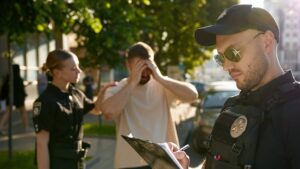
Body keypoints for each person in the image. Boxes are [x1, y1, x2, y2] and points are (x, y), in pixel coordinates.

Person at [171, 4, 300, 169]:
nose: (226, 66)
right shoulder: (232, 106)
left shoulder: (295, 111)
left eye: (233, 53)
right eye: (221, 58)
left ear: (267, 42)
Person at [100, 42, 198, 169]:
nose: (145, 73)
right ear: (128, 65)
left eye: (148, 67)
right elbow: (108, 112)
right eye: (139, 67)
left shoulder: (162, 85)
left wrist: (160, 77)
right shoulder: (118, 88)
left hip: (163, 162)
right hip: (129, 163)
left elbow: (193, 95)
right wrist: (132, 83)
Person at [32, 49, 114, 169]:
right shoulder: (46, 101)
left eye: (78, 67)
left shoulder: (76, 94)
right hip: (58, 163)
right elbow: (41, 144)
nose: (79, 71)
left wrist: (102, 92)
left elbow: (96, 110)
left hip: (77, 162)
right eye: (73, 68)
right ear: (57, 72)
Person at [0, 64, 29, 135]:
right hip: (18, 98)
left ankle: (0, 127)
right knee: (23, 111)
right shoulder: (18, 79)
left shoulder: (8, 79)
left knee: (7, 112)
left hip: (9, 98)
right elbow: (21, 90)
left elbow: (4, 89)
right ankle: (26, 127)